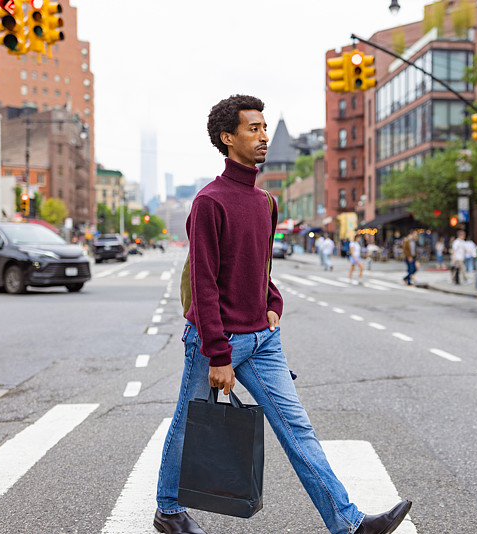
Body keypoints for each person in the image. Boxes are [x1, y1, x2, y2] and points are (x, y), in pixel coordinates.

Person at [155, 95, 411, 534]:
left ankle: (348, 523)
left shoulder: (266, 202)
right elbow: (204, 281)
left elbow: (260, 266)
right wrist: (218, 354)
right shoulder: (209, 202)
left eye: (263, 127)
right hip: (216, 339)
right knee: (189, 422)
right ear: (227, 138)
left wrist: (273, 303)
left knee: (298, 429)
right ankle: (168, 509)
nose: (263, 136)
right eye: (252, 128)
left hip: (262, 339)